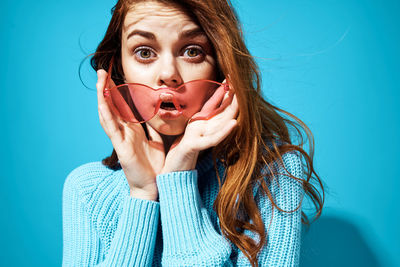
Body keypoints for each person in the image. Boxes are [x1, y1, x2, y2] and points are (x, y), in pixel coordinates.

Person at [62, 0, 324, 266]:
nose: (168, 75)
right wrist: (142, 194)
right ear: (119, 71)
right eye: (143, 52)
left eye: (191, 51)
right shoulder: (87, 189)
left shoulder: (271, 173)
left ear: (221, 67)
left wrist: (178, 180)